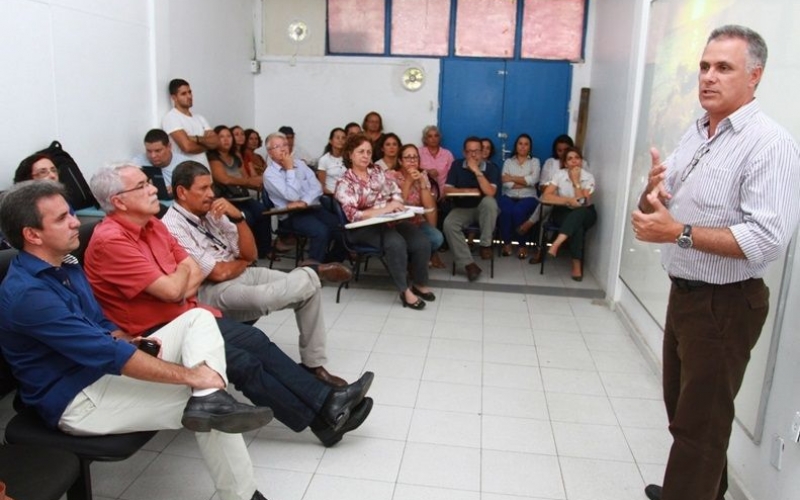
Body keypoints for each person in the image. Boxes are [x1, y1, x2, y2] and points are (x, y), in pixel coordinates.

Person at [0, 180, 274, 500]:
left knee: (197, 319)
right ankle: (242, 492)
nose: (76, 221)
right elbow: (106, 352)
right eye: (61, 219)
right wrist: (191, 375)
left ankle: (209, 395)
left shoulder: (66, 265)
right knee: (207, 401)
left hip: (100, 372)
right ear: (32, 235)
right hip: (77, 400)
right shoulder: (28, 294)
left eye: (71, 213)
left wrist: (138, 342)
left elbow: (102, 326)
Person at [84, 164, 375, 447]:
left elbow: (192, 271)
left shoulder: (153, 226)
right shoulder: (112, 241)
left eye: (149, 182)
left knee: (256, 340)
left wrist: (181, 279)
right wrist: (182, 279)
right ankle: (326, 413)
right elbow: (177, 286)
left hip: (188, 313)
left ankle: (327, 412)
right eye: (142, 185)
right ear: (118, 201)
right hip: (155, 334)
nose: (153, 189)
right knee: (242, 362)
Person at [631, 25, 800, 500]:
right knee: (689, 417)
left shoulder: (770, 145)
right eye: (704, 66)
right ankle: (705, 491)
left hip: (724, 305)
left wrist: (678, 232)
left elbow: (766, 238)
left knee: (698, 428)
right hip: (685, 296)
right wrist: (654, 191)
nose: (708, 77)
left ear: (755, 76)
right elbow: (668, 204)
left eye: (723, 67)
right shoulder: (700, 130)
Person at [162, 161, 351, 386]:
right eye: (203, 189)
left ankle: (313, 365)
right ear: (182, 192)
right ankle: (311, 270)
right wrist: (241, 261)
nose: (211, 194)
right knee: (267, 297)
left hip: (240, 271)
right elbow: (217, 274)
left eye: (211, 187)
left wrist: (239, 218)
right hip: (209, 291)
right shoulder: (172, 225)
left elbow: (250, 254)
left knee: (309, 291)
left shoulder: (213, 211)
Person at [335, 134, 435, 309]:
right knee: (396, 243)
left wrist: (396, 203)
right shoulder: (345, 182)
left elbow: (394, 190)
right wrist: (385, 209)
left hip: (388, 221)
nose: (366, 156)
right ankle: (405, 291)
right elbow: (353, 215)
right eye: (360, 152)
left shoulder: (376, 173)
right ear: (350, 154)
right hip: (361, 229)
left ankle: (419, 283)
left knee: (421, 241)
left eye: (368, 152)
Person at [263, 132, 344, 264]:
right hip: (290, 215)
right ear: (270, 153)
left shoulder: (300, 164)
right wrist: (289, 169)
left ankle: (329, 262)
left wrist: (305, 201)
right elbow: (292, 196)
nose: (283, 148)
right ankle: (312, 270)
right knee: (321, 231)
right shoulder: (270, 174)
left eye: (285, 145)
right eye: (277, 146)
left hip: (312, 207)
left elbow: (317, 187)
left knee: (341, 228)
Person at [207, 125, 272, 257]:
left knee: (263, 211)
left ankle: (264, 251)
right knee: (247, 217)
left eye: (228, 136)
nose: (226, 140)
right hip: (227, 199)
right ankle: (245, 252)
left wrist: (255, 183)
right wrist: (249, 182)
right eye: (221, 137)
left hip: (243, 197)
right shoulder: (213, 157)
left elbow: (245, 177)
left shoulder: (236, 156)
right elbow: (224, 179)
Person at [442, 136, 501, 282]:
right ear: (464, 153)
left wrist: (477, 171)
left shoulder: (491, 168)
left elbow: (490, 192)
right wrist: (467, 191)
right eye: (469, 152)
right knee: (449, 224)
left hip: (484, 209)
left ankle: (485, 245)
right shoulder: (456, 165)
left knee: (489, 202)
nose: (473, 155)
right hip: (463, 207)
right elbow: (447, 191)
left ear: (482, 153)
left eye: (476, 151)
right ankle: (469, 264)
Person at [539, 147, 596, 281]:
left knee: (580, 213)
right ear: (565, 163)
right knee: (578, 226)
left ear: (581, 161)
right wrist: (567, 201)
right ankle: (576, 264)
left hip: (586, 212)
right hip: (564, 211)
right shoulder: (559, 175)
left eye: (577, 158)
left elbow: (582, 202)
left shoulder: (588, 177)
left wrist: (576, 181)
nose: (574, 161)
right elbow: (546, 197)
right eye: (570, 159)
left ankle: (556, 243)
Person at [390, 144, 445, 268]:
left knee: (437, 238)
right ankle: (412, 261)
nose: (412, 161)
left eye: (415, 157)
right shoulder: (392, 176)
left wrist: (422, 183)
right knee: (413, 241)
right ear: (400, 160)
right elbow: (397, 204)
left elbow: (430, 207)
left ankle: (415, 260)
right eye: (408, 157)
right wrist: (408, 181)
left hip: (417, 221)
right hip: (397, 222)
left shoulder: (423, 175)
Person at [498, 133, 541, 259]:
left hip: (529, 197)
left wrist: (512, 178)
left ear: (530, 147)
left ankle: (522, 245)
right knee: (505, 211)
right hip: (508, 195)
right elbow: (505, 182)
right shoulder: (508, 162)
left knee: (518, 211)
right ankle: (507, 243)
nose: (523, 147)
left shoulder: (534, 161)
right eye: (520, 143)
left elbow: (533, 180)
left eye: (526, 144)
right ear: (516, 146)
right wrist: (524, 182)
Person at [161, 78, 218, 167]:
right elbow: (187, 147)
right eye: (183, 94)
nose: (189, 96)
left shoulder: (200, 118)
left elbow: (216, 142)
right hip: (186, 172)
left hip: (204, 170)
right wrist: (207, 145)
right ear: (174, 97)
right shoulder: (172, 117)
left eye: (190, 92)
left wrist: (196, 139)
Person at [316, 127, 347, 195]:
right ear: (330, 141)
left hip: (348, 194)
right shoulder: (324, 160)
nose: (340, 140)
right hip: (331, 195)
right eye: (337, 138)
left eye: (343, 138)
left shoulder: (349, 158)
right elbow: (322, 186)